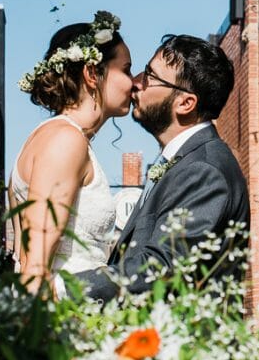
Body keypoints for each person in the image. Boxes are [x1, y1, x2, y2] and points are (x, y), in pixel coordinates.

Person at [76, 34, 249, 302]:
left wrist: (68, 288)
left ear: (185, 103)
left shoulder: (204, 171)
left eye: (150, 76)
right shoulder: (182, 161)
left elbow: (162, 266)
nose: (136, 83)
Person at [9, 11, 133, 292]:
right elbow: (34, 268)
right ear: (92, 73)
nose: (134, 82)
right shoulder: (65, 140)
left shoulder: (56, 137)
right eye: (126, 70)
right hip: (59, 313)